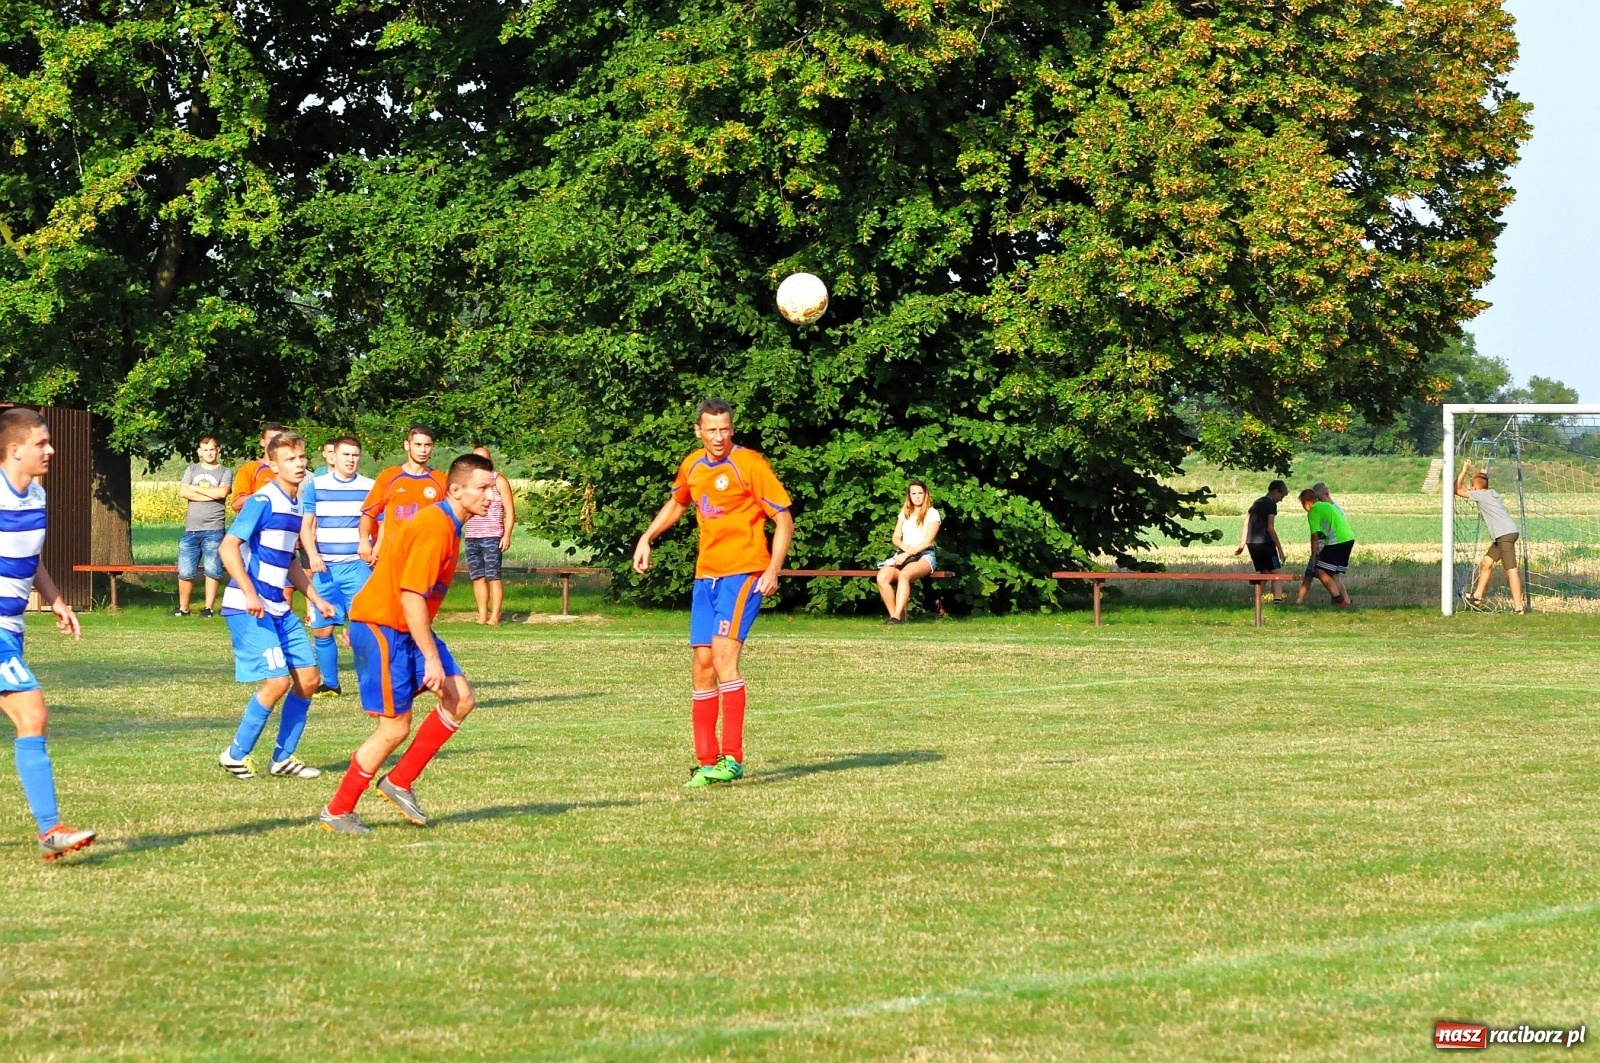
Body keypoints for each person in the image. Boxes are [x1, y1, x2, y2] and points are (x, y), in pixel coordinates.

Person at [319, 452, 498, 835]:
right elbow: (411, 596)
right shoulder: (435, 527)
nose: (490, 496)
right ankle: (338, 810)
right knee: (394, 728)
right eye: (482, 488)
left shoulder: (450, 523)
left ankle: (399, 781)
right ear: (456, 490)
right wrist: (430, 658)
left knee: (460, 698)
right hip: (386, 627)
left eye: (493, 488)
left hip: (403, 626)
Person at [633, 398, 793, 788]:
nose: (719, 437)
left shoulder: (750, 464)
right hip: (706, 576)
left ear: (732, 429)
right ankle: (706, 761)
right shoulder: (693, 465)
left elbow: (783, 517)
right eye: (711, 430)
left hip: (744, 573)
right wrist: (647, 537)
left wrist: (773, 567)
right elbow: (677, 502)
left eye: (725, 429)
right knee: (702, 664)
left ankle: (732, 758)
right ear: (698, 431)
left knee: (724, 658)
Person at [0, 408, 97, 861]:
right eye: (41, 443)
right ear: (14, 449)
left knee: (29, 718)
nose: (51, 450)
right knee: (32, 713)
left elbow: (30, 558)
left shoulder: (35, 495)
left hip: (12, 629)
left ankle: (49, 830)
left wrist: (56, 600)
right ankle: (51, 828)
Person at [218, 431, 337, 780]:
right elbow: (228, 548)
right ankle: (234, 754)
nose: (299, 464)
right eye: (289, 459)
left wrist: (316, 599)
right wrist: (250, 591)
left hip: (278, 608)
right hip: (248, 605)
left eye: (301, 457)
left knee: (310, 679)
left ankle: (283, 758)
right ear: (272, 465)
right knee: (277, 682)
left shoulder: (297, 502)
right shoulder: (262, 501)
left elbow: (288, 561)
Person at [300, 436, 376, 696]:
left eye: (355, 455)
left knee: (365, 629)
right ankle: (330, 683)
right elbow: (306, 526)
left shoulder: (370, 486)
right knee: (322, 629)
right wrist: (312, 555)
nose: (351, 460)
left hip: (357, 568)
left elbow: (383, 522)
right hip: (325, 569)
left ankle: (371, 684)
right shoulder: (316, 486)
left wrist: (375, 549)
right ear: (334, 456)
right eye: (346, 455)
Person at [359, 423, 448, 565]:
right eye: (418, 445)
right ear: (407, 445)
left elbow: (450, 520)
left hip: (426, 556)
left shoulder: (441, 481)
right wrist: (364, 541)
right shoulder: (389, 476)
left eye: (427, 445)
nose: (423, 450)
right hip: (393, 556)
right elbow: (369, 513)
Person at [1455, 460, 1526, 613]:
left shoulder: (1480, 495)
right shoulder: (1491, 492)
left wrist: (1464, 469)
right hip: (1503, 535)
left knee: (1511, 571)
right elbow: (1482, 482)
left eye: (1471, 486)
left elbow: (1456, 489)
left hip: (1505, 535)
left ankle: (1518, 607)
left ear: (1476, 488)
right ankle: (1477, 597)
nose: (1470, 489)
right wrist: (1482, 474)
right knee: (1486, 563)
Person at [174, 435, 232, 617]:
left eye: (212, 449)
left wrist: (195, 489)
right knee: (185, 570)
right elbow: (183, 491)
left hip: (214, 529)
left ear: (218, 450)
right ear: (199, 452)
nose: (209, 453)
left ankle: (208, 608)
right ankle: (183, 608)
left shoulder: (225, 472)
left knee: (212, 569)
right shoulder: (191, 469)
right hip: (191, 529)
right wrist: (211, 494)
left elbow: (223, 492)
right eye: (205, 450)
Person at [875, 481, 941, 624]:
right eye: (914, 494)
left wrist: (908, 554)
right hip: (903, 553)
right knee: (882, 577)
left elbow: (928, 542)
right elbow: (895, 537)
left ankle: (897, 617)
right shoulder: (905, 513)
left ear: (925, 494)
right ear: (909, 496)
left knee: (905, 575)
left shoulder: (932, 513)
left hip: (924, 555)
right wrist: (904, 549)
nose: (917, 497)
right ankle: (897, 618)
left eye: (920, 493)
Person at [464, 445, 516, 625]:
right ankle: (482, 616)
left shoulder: (499, 481)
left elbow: (510, 511)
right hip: (472, 536)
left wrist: (506, 535)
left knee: (493, 576)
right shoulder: (468, 483)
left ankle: (494, 617)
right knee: (477, 577)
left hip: (492, 535)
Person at [1299, 487, 1355, 606]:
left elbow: (1314, 537)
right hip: (1349, 538)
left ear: (1306, 503)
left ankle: (1339, 600)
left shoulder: (1313, 511)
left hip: (1336, 541)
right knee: (1333, 573)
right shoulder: (1328, 506)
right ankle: (1346, 601)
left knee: (1319, 570)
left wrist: (1314, 556)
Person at [1235, 479, 1289, 603]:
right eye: (1282, 496)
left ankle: (1256, 600)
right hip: (1266, 543)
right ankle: (1278, 600)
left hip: (1252, 543)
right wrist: (1280, 550)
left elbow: (1246, 523)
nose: (1281, 499)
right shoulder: (1271, 504)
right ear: (1276, 491)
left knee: (1264, 572)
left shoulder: (1256, 502)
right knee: (1276, 573)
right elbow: (1270, 528)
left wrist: (1242, 544)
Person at [228, 422, 287, 513]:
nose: (275, 443)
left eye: (279, 439)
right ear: (262, 442)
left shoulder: (291, 470)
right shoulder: (250, 469)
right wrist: (265, 494)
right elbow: (236, 504)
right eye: (271, 439)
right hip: (258, 525)